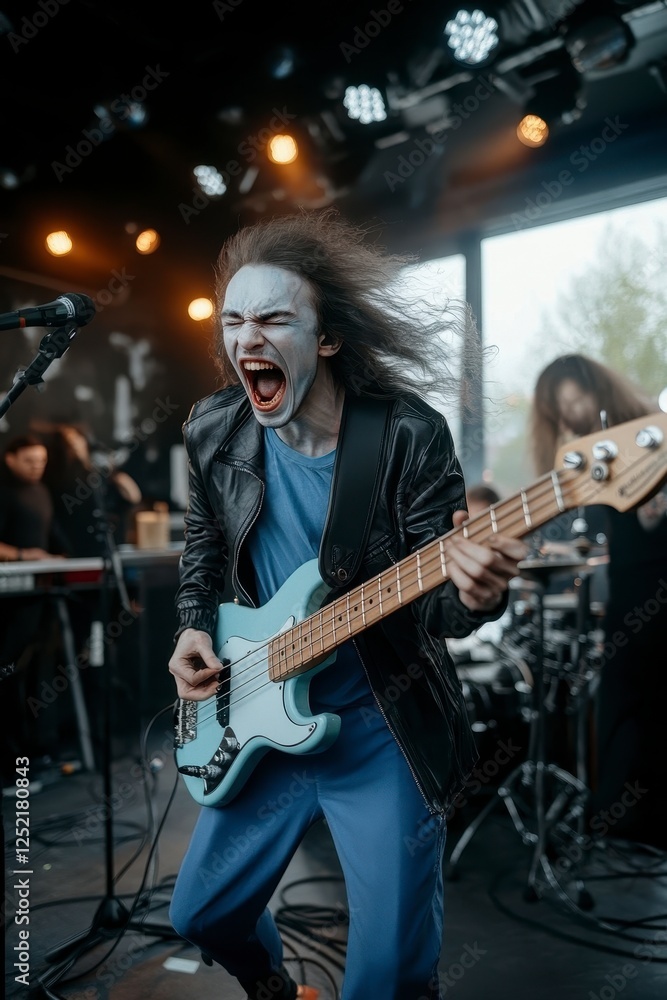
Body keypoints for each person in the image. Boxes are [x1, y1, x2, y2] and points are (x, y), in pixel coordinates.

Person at [167, 209, 527, 1000]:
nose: (244, 339)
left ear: (325, 338)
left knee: (385, 978)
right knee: (200, 916)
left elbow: (436, 607)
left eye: (271, 319)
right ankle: (278, 989)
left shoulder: (405, 435)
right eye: (233, 321)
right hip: (257, 710)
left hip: (378, 726)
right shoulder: (213, 427)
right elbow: (204, 542)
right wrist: (193, 625)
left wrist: (475, 593)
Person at [529, 353, 667, 848]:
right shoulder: (601, 453)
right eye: (561, 411)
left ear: (596, 388)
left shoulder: (644, 434)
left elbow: (652, 520)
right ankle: (622, 818)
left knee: (638, 700)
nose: (572, 416)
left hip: (653, 592)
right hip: (628, 590)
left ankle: (630, 818)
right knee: (624, 701)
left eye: (573, 400)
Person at [0, 434, 68, 781]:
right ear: (10, 459)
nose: (36, 467)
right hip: (9, 601)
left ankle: (35, 752)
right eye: (29, 461)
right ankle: (12, 761)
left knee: (34, 675)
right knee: (8, 675)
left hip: (39, 598)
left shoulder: (41, 492)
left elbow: (50, 536)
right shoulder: (4, 491)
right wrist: (26, 556)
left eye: (41, 461)